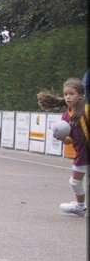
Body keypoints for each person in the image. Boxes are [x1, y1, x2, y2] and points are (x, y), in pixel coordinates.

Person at [37, 78, 88, 217]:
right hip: (82, 154)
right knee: (75, 182)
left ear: (81, 96)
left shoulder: (86, 110)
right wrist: (62, 138)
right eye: (66, 94)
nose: (68, 97)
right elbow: (69, 140)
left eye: (71, 94)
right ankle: (80, 207)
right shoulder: (66, 117)